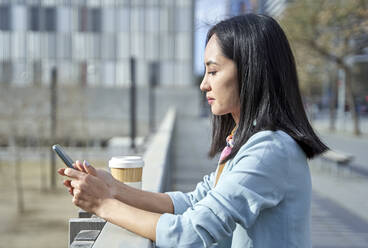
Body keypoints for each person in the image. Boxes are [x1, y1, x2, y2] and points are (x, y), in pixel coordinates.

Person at [58, 14, 328, 248]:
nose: (203, 85)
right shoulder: (248, 142)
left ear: (250, 71)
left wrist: (103, 205)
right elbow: (194, 202)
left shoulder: (269, 149)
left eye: (212, 71)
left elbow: (190, 234)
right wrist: (113, 188)